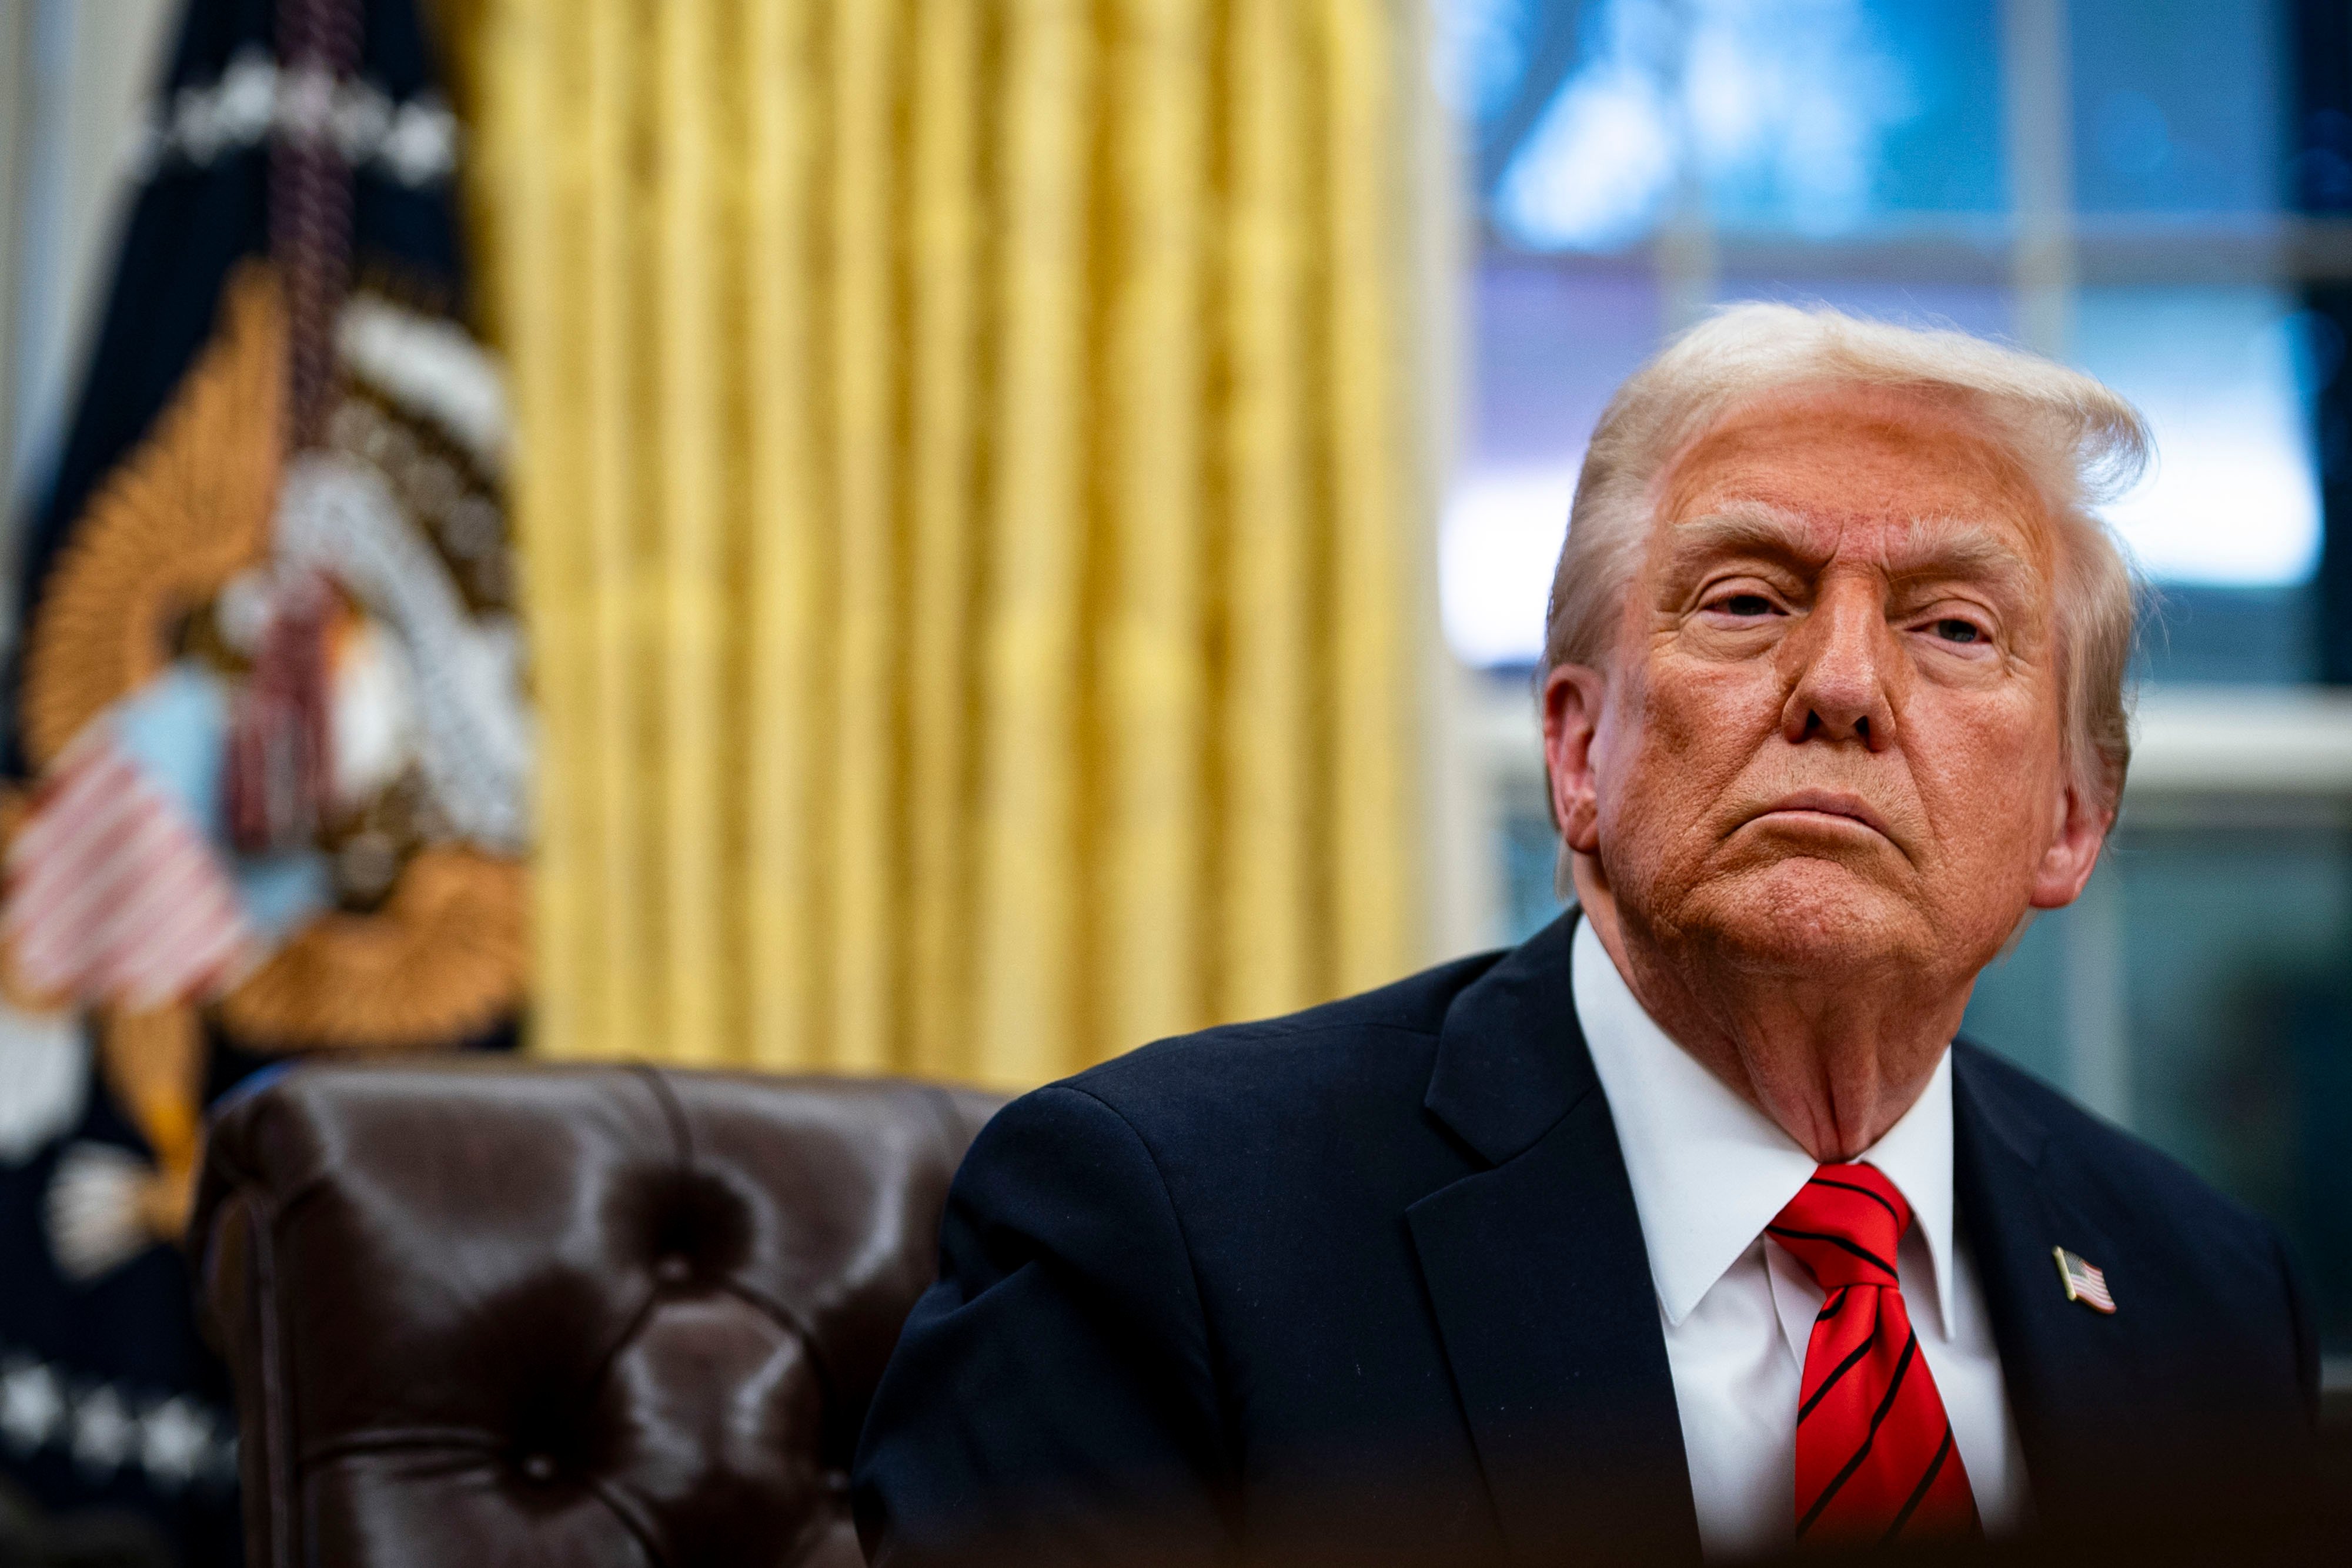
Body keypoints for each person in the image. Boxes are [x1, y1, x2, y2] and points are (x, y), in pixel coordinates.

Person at [851, 306, 2320, 1566]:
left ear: (2069, 819)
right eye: (1746, 601)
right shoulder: (1159, 1229)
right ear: (1576, 753)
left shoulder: (2201, 1293)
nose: (1842, 685)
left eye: (1950, 628)